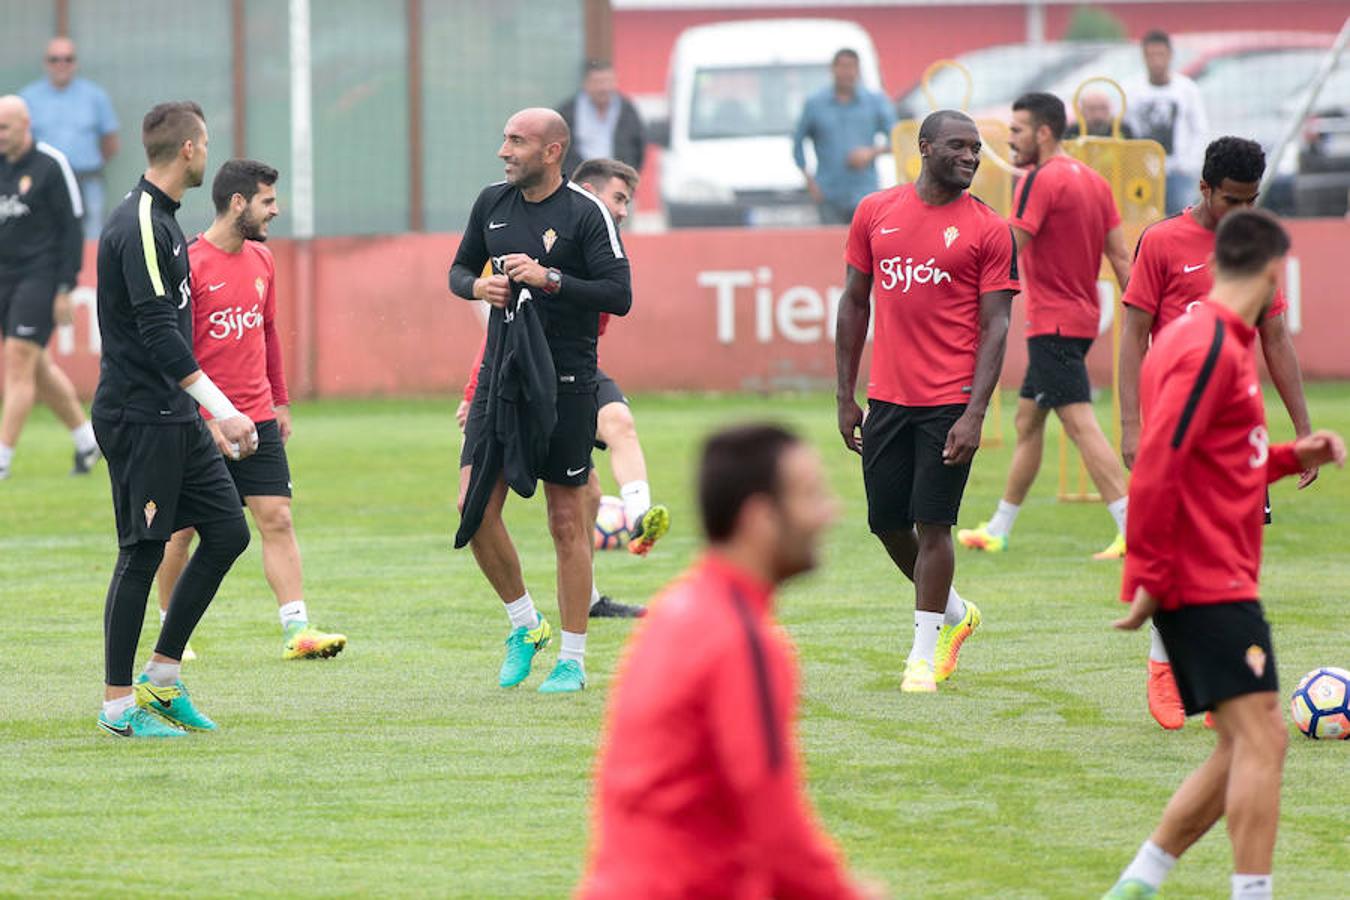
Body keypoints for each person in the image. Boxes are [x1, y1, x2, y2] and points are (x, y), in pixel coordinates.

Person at [1104, 209, 1344, 900]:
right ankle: (1252, 893)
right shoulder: (1209, 346)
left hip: (1214, 573)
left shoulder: (1211, 339)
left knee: (1244, 741)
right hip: (1202, 577)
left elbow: (1220, 455)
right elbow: (1158, 462)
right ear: (1274, 274)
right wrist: (1148, 576)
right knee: (1264, 739)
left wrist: (1293, 454)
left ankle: (1139, 881)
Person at [580, 424, 884, 899]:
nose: (830, 512)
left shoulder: (679, 609)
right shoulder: (741, 640)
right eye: (811, 496)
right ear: (760, 518)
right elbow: (774, 820)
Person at [1118, 136, 1316, 731]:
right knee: (1179, 551)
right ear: (1204, 189)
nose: (1243, 211)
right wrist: (1131, 425)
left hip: (1237, 433)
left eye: (1252, 199)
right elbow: (1132, 334)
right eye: (1233, 200)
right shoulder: (1161, 241)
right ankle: (1163, 667)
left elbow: (1275, 338)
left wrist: (1302, 429)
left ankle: (1221, 675)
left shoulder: (1255, 245)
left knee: (1236, 555)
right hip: (1177, 430)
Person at [448, 108, 631, 693]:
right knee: (472, 509)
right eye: (504, 138)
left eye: (517, 142)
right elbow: (456, 271)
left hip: (566, 382)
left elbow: (618, 295)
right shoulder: (491, 203)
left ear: (552, 151)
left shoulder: (587, 212)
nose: (504, 150)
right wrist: (480, 285)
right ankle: (525, 624)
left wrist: (550, 278)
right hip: (502, 378)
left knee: (564, 520)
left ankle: (572, 659)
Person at [836, 109, 1017, 693]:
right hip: (887, 400)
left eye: (977, 150)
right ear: (925, 148)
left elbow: (996, 327)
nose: (971, 157)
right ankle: (957, 615)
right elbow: (853, 303)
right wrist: (845, 394)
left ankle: (921, 655)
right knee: (887, 523)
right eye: (959, 147)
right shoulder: (874, 212)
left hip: (950, 402)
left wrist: (975, 414)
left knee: (933, 524)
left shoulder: (989, 229)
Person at [92, 101, 258, 738]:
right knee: (142, 553)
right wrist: (225, 410)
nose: (208, 153)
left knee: (227, 532)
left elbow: (172, 334)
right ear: (188, 150)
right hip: (140, 416)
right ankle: (116, 709)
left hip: (174, 414)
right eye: (207, 143)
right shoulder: (139, 223)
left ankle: (161, 680)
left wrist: (202, 412)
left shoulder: (163, 221)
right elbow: (160, 337)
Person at [456, 157, 670, 620]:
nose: (624, 210)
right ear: (589, 190)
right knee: (579, 490)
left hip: (576, 371)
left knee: (601, 459)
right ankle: (556, 608)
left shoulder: (596, 235)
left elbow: (617, 295)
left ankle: (637, 518)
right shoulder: (521, 214)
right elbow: (505, 328)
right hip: (527, 370)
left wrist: (552, 279)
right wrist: (476, 387)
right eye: (619, 198)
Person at [152, 158, 347, 661]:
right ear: (238, 203)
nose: (274, 211)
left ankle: (296, 630)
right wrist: (206, 418)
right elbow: (177, 352)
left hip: (257, 417)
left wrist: (278, 401)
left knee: (277, 519)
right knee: (181, 531)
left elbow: (266, 333)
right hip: (201, 422)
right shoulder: (189, 264)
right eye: (267, 201)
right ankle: (171, 629)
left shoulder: (263, 260)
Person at [958, 92, 1133, 560]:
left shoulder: (1038, 180)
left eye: (1016, 131)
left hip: (1052, 323)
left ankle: (1132, 527)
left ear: (1044, 132)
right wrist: (1143, 318)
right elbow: (1119, 256)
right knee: (1027, 420)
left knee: (1078, 422)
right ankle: (999, 527)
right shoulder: (1095, 181)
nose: (1010, 139)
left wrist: (957, 271)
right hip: (1080, 320)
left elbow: (1011, 244)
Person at [0, 95, 100, 481]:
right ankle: (87, 440)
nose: (0, 134)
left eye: (4, 127)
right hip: (5, 277)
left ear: (25, 124)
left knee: (19, 360)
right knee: (36, 366)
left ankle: (3, 459)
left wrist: (65, 286)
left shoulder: (51, 164)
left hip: (40, 275)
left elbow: (73, 228)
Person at [20, 37, 120, 238]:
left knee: (93, 236)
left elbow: (110, 140)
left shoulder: (95, 96)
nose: (61, 64)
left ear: (76, 62)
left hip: (88, 180)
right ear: (45, 63)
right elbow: (19, 141)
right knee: (44, 236)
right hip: (44, 183)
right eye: (55, 59)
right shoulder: (27, 98)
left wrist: (93, 162)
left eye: (68, 59)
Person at [793, 48, 896, 225]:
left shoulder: (875, 102)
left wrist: (871, 153)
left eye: (851, 67)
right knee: (831, 248)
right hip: (828, 193)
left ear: (858, 70)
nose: (846, 73)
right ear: (833, 69)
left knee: (863, 248)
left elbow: (898, 140)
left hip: (865, 193)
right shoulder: (815, 104)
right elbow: (797, 143)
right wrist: (809, 181)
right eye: (842, 67)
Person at [1123, 30, 1208, 216]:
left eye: (1160, 54)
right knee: (1141, 222)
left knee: (1180, 219)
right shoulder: (1132, 90)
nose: (1156, 61)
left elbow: (1199, 129)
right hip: (1142, 172)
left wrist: (1188, 163)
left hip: (1178, 171)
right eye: (1150, 55)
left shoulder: (1186, 89)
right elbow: (1125, 127)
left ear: (1170, 55)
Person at [556, 60, 646, 179]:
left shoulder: (627, 110)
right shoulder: (568, 111)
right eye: (598, 82)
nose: (604, 88)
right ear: (586, 83)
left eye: (608, 81)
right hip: (579, 180)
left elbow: (639, 147)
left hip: (617, 179)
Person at [1064, 90, 1134, 140]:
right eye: (1092, 109)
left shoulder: (1122, 129)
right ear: (1081, 111)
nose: (1098, 115)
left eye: (1103, 108)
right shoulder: (1071, 133)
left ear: (1110, 109)